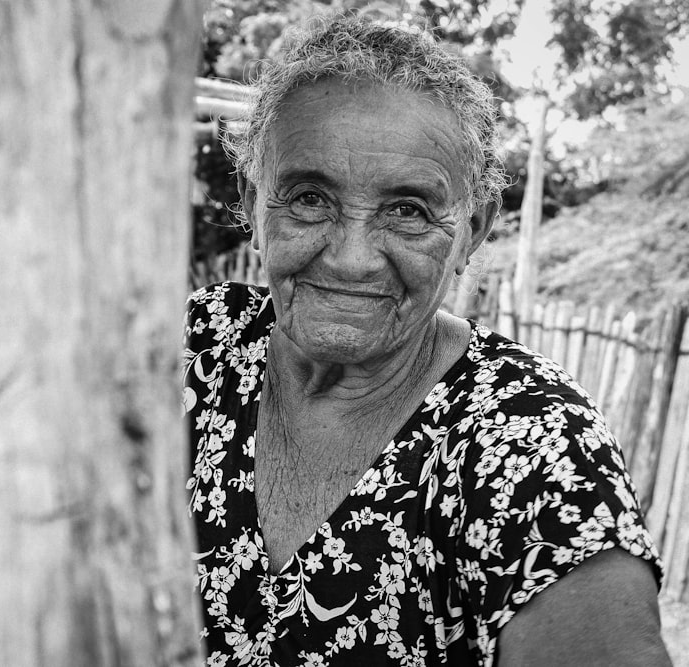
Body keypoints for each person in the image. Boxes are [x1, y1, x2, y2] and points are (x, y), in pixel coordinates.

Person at [182, 14, 670, 667]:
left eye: (408, 210)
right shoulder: (192, 349)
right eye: (308, 199)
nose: (352, 259)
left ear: (472, 230)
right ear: (251, 201)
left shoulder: (529, 442)